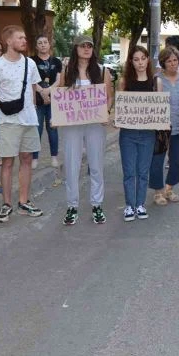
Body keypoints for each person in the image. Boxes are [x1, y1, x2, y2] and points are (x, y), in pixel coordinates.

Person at [0, 25, 44, 223]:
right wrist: (4, 105)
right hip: (8, 121)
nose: (24, 41)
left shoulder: (30, 64)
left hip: (29, 119)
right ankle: (6, 203)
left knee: (26, 159)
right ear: (8, 41)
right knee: (8, 162)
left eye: (24, 38)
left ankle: (24, 201)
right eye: (20, 38)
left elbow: (35, 91)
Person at [58, 35, 112, 225]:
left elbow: (108, 97)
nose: (87, 49)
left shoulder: (102, 71)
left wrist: (106, 113)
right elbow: (60, 97)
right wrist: (57, 116)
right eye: (83, 46)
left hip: (95, 125)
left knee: (96, 165)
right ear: (76, 48)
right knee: (72, 165)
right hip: (73, 125)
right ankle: (72, 206)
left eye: (90, 45)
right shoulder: (66, 71)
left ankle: (97, 204)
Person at [119, 45, 161, 222]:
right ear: (131, 62)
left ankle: (140, 204)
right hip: (127, 133)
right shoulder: (124, 81)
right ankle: (129, 205)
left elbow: (159, 107)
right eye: (136, 59)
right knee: (129, 171)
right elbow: (120, 107)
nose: (140, 63)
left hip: (148, 133)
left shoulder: (155, 81)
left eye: (143, 58)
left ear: (148, 60)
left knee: (143, 171)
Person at [149, 47, 179, 206]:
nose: (173, 64)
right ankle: (158, 192)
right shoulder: (156, 79)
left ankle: (169, 188)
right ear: (163, 63)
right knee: (157, 161)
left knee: (176, 160)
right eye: (169, 61)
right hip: (160, 128)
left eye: (175, 60)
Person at [31, 34, 62, 169]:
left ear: (49, 45)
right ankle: (35, 158)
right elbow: (31, 80)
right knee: (36, 130)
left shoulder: (56, 61)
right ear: (36, 46)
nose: (43, 45)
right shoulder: (31, 61)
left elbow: (59, 80)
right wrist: (41, 92)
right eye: (40, 43)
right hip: (37, 100)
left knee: (52, 129)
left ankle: (54, 157)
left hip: (53, 100)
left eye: (45, 42)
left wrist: (48, 90)